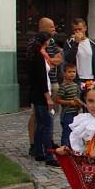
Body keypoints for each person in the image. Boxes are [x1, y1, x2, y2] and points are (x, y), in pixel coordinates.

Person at [27, 17, 63, 156]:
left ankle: (46, 142)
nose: (54, 29)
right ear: (43, 28)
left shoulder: (51, 42)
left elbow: (59, 59)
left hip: (52, 83)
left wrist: (52, 60)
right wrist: (51, 60)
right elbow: (44, 68)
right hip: (42, 89)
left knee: (49, 117)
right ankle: (37, 146)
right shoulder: (36, 47)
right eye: (51, 27)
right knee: (39, 117)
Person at [55, 63, 83, 147]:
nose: (72, 74)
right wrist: (69, 102)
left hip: (75, 113)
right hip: (67, 112)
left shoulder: (76, 86)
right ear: (64, 73)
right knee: (66, 132)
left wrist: (79, 104)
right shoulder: (63, 86)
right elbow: (57, 99)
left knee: (74, 132)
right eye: (69, 72)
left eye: (74, 72)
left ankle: (72, 147)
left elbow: (78, 98)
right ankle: (64, 147)